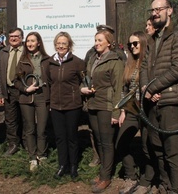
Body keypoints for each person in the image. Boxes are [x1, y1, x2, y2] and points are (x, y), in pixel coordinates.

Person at [138, 0, 178, 194]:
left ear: (170, 11)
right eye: (152, 10)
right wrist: (145, 87)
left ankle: (176, 189)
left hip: (172, 101)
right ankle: (165, 184)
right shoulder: (153, 39)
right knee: (156, 146)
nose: (155, 13)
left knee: (171, 149)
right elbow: (144, 67)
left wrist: (152, 88)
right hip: (152, 102)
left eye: (159, 9)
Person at [81, 28, 124, 192]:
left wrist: (116, 111)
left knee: (107, 143)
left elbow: (118, 89)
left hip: (106, 106)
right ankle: (102, 172)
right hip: (93, 105)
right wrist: (83, 88)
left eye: (100, 40)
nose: (97, 43)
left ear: (109, 42)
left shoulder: (115, 61)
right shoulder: (93, 59)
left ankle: (106, 177)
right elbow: (86, 78)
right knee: (98, 140)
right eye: (95, 40)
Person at [47, 31, 85, 180]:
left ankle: (74, 165)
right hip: (56, 106)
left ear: (69, 45)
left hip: (72, 106)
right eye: (59, 43)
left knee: (72, 137)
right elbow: (50, 83)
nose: (61, 46)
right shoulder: (50, 63)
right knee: (60, 137)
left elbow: (84, 80)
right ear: (55, 45)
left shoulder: (77, 62)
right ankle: (62, 165)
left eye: (64, 43)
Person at [115, 31, 147, 194]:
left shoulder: (148, 63)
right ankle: (131, 176)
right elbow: (124, 90)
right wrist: (123, 111)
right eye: (130, 44)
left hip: (147, 111)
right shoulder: (129, 63)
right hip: (132, 111)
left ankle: (146, 181)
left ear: (143, 43)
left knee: (148, 146)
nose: (132, 47)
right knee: (121, 142)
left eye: (135, 43)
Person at [13, 32, 50, 172]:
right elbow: (15, 81)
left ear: (38, 43)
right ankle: (32, 157)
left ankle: (42, 155)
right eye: (28, 41)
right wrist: (24, 88)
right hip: (26, 98)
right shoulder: (22, 60)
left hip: (42, 97)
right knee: (30, 129)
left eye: (33, 41)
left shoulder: (46, 59)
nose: (29, 43)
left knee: (42, 129)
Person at [0, 27, 24, 156]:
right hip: (9, 91)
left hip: (24, 91)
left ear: (21, 38)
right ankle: (13, 144)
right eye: (11, 36)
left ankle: (26, 143)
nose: (13, 38)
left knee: (26, 118)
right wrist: (0, 93)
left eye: (16, 36)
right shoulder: (3, 52)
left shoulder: (27, 52)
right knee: (10, 119)